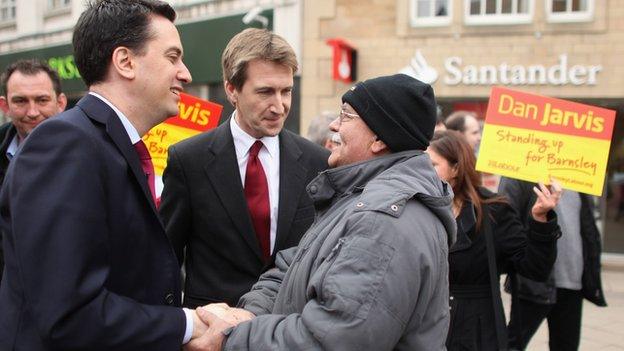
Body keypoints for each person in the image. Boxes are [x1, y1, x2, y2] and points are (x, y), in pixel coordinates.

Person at [0, 1, 214, 349]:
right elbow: (69, 313)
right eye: (172, 57)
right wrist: (188, 323)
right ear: (125, 62)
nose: (186, 73)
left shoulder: (104, 144)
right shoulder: (65, 144)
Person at [187, 73, 456, 351]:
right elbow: (295, 267)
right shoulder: (358, 199)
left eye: (347, 116)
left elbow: (333, 339)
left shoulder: (384, 220)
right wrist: (249, 313)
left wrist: (233, 337)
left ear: (378, 139)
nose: (333, 125)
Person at [160, 28, 329, 308]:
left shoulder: (317, 161)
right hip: (212, 334)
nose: (280, 105)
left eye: (286, 91)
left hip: (289, 329)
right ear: (231, 90)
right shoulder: (189, 160)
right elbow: (166, 257)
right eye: (265, 92)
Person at [427, 130, 563, 351]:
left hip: (476, 332)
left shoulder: (493, 212)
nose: (423, 172)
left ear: (456, 169)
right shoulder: (415, 208)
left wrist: (540, 219)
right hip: (425, 327)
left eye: (432, 165)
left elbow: (534, 268)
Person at [500, 177, 607, 351]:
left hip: (573, 284)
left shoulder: (580, 177)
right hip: (532, 283)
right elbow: (505, 219)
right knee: (512, 345)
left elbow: (588, 229)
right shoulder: (523, 174)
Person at [0, 59, 67, 284]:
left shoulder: (88, 150)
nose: (32, 112)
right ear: (5, 106)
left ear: (61, 103)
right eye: (20, 101)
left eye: (41, 100)